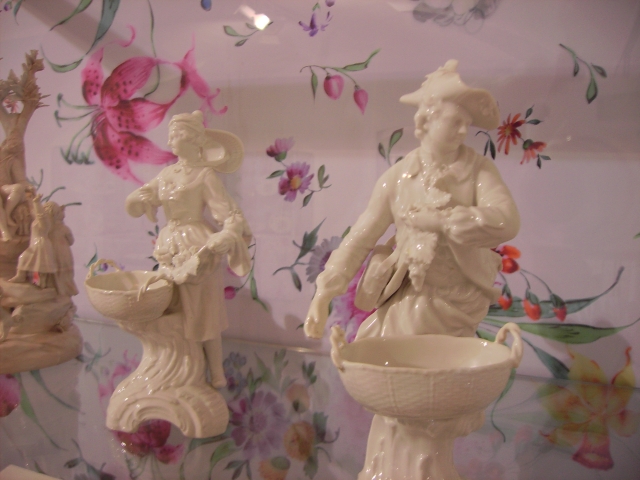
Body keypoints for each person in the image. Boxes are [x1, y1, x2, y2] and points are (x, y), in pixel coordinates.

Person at [304, 60, 520, 340]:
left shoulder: (478, 170)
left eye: (466, 124)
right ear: (427, 121)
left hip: (460, 296)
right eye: (455, 122)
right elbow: (360, 239)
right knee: (375, 345)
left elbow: (507, 220)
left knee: (435, 355)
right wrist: (323, 294)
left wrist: (444, 221)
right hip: (410, 293)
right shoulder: (397, 179)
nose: (463, 131)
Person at [126, 110, 252, 388]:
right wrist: (137, 200)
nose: (170, 141)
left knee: (205, 312)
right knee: (174, 308)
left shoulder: (204, 176)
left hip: (196, 245)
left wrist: (228, 234)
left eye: (176, 135)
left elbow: (230, 214)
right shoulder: (166, 174)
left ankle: (215, 371)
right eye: (170, 135)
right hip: (170, 244)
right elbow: (140, 201)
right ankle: (180, 365)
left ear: (193, 139)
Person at [9, 194, 57, 287]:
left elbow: (40, 214)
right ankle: (22, 276)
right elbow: (34, 212)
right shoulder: (39, 219)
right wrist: (30, 200)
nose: (43, 209)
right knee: (27, 260)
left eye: (45, 208)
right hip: (36, 243)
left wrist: (36, 202)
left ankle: (40, 282)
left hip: (40, 244)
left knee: (39, 265)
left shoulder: (45, 221)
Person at [49, 203, 79, 297]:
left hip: (52, 253)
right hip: (64, 253)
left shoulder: (49, 229)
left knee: (57, 272)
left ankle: (59, 289)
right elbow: (71, 241)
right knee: (66, 272)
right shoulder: (64, 229)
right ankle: (66, 289)